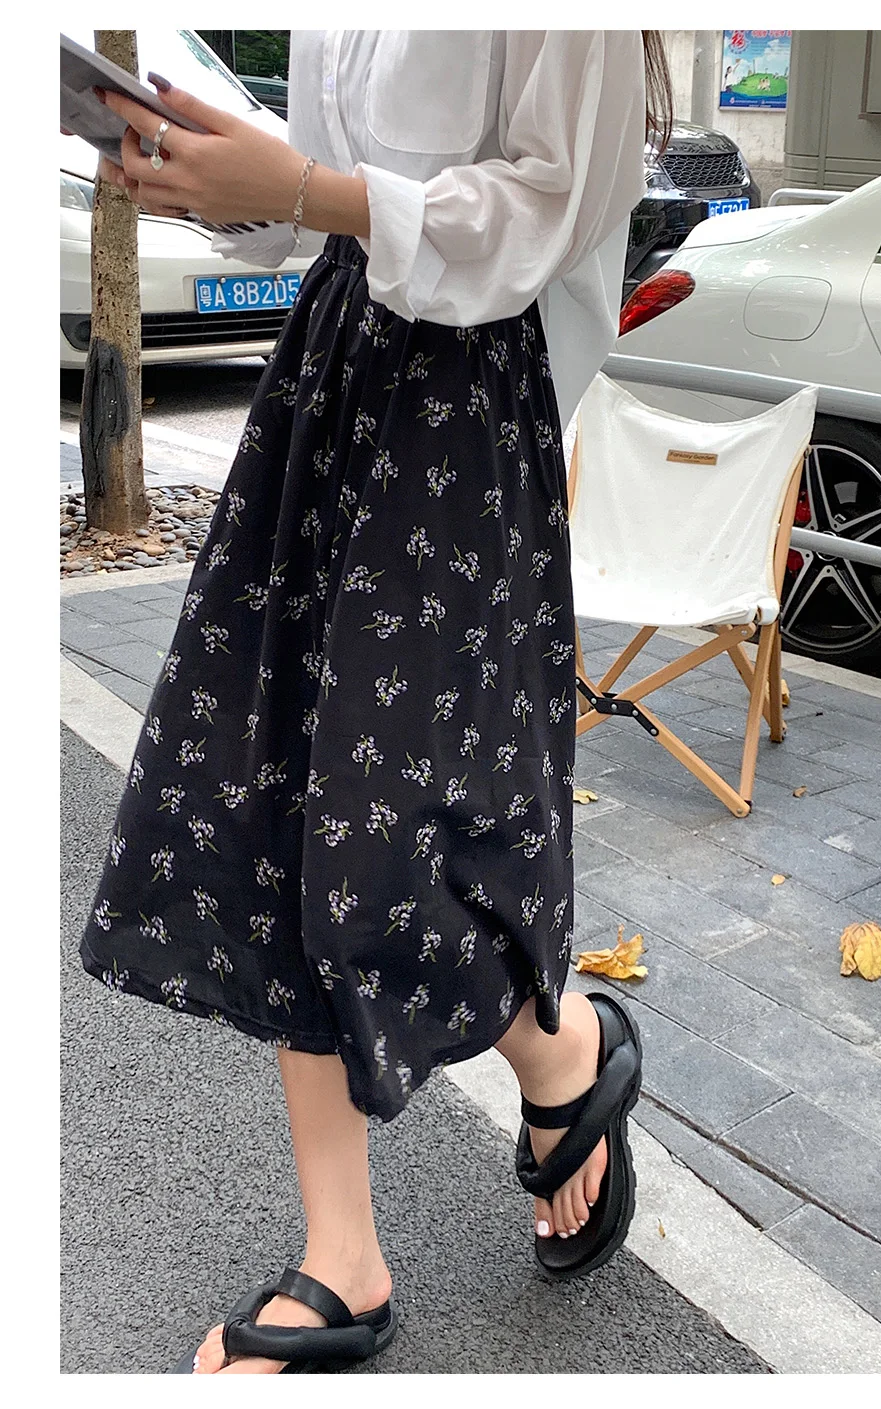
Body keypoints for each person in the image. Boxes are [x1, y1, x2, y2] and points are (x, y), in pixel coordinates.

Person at [79, 29, 672, 1375]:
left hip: (464, 405)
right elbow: (322, 192)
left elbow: (548, 211)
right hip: (335, 366)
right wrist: (205, 171)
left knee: (393, 826)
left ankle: (560, 1050)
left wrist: (303, 189)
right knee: (282, 798)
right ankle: (343, 1252)